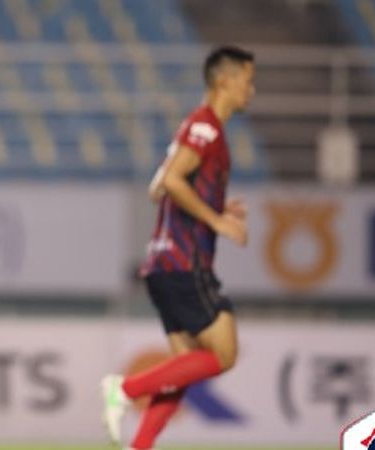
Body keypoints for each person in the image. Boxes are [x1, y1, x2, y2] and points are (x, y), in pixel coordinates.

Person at [101, 46, 255, 450]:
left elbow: (158, 187)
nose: (251, 90)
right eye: (247, 80)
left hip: (161, 263)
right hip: (185, 262)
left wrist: (218, 205)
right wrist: (216, 218)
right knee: (224, 353)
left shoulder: (193, 127)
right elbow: (171, 183)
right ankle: (127, 388)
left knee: (183, 368)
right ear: (224, 80)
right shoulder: (206, 128)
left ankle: (140, 447)